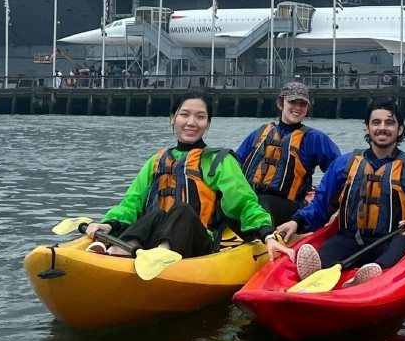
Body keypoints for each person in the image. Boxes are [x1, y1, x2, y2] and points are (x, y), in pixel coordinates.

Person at [83, 89, 279, 259]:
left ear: (208, 124)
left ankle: (161, 254)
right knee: (157, 214)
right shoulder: (157, 160)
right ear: (173, 118)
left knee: (182, 209)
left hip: (197, 244)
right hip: (153, 239)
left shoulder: (219, 160)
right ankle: (118, 251)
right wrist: (109, 224)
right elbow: (131, 203)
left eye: (200, 117)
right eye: (184, 114)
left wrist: (267, 234)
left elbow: (244, 203)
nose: (191, 122)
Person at [273, 98, 405, 287]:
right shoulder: (343, 165)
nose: (382, 128)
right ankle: (318, 272)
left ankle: (375, 274)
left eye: (390, 123)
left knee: (402, 242)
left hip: (392, 239)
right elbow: (320, 205)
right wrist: (297, 221)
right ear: (367, 128)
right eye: (376, 122)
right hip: (350, 238)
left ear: (400, 129)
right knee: (331, 249)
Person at [233, 80, 343, 225]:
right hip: (251, 202)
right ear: (280, 103)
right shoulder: (260, 134)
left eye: (302, 104)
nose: (297, 108)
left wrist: (322, 206)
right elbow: (234, 167)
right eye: (292, 102)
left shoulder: (316, 139)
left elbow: (340, 173)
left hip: (287, 207)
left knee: (261, 203)